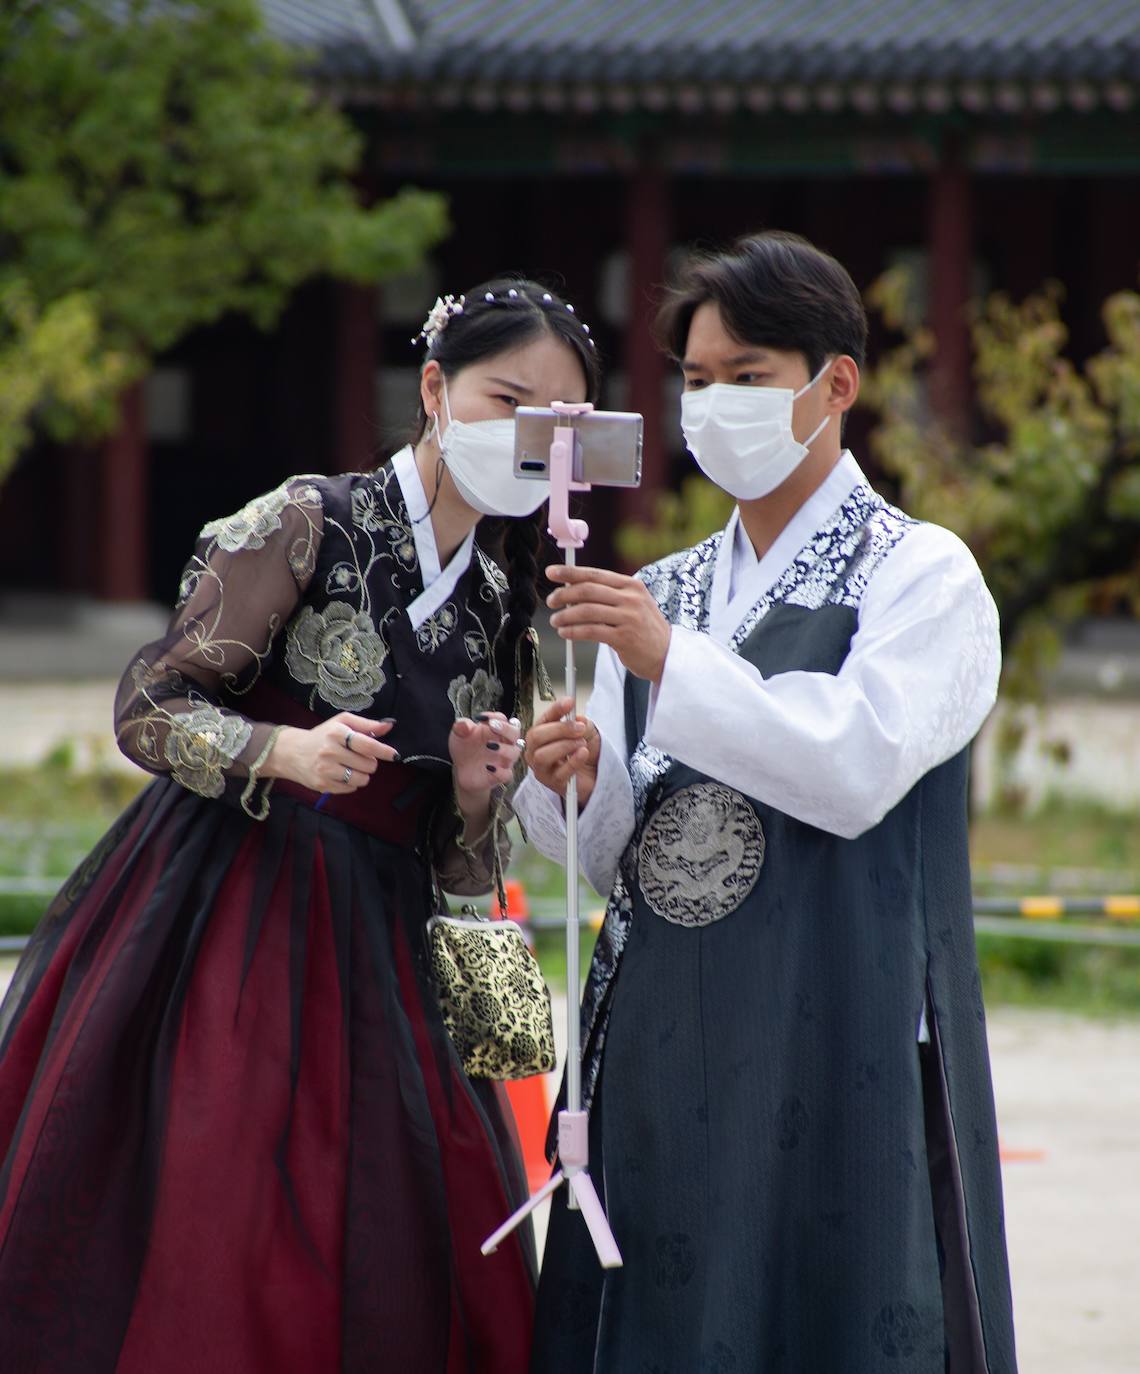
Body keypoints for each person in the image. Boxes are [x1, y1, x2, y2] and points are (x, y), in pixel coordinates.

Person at [0, 278, 599, 1374]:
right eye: (508, 402)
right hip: (230, 902)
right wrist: (281, 750)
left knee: (414, 1222)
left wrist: (476, 796)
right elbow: (147, 702)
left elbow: (468, 857)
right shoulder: (308, 520)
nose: (529, 439)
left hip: (393, 938)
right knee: (223, 1205)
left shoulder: (508, 597)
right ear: (434, 389)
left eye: (559, 424)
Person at [517, 232, 1018, 1373]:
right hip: (663, 1038)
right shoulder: (664, 589)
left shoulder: (919, 574)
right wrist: (569, 778)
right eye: (696, 381)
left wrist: (668, 667)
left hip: (838, 1022)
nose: (715, 404)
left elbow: (853, 767)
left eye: (748, 377)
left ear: (835, 383)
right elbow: (609, 862)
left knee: (822, 1311)